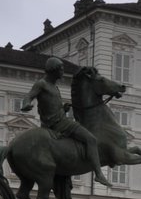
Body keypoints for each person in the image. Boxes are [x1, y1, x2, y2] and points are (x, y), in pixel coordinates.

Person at [20, 56, 108, 186]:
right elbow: (29, 96)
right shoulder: (42, 84)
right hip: (58, 124)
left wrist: (63, 109)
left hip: (59, 119)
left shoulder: (54, 87)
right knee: (91, 139)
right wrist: (26, 104)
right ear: (53, 70)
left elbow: (51, 106)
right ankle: (99, 174)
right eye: (61, 69)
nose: (63, 71)